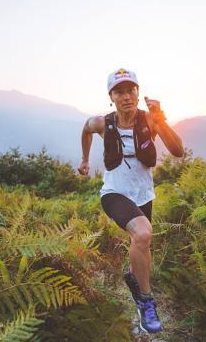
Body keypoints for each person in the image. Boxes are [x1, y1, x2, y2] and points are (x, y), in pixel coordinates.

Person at [78, 68, 184, 334]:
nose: (126, 96)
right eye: (119, 91)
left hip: (143, 195)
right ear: (111, 96)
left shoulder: (150, 121)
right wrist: (84, 160)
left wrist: (161, 120)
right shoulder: (103, 123)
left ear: (138, 92)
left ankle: (136, 297)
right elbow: (86, 129)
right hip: (114, 194)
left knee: (140, 243)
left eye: (131, 90)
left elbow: (178, 151)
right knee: (143, 233)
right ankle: (146, 302)